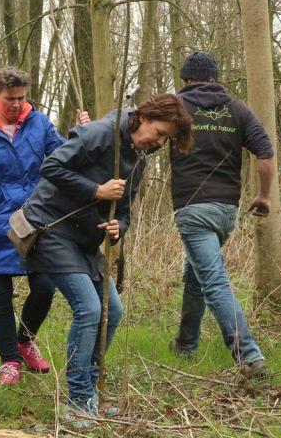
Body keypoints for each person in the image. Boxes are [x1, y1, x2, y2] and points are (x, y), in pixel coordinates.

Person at [22, 93, 193, 427]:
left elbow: (126, 209)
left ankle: (91, 392)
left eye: (164, 139)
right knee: (89, 308)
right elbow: (51, 166)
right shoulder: (101, 133)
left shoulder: (140, 158)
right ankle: (77, 401)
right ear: (144, 116)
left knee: (112, 310)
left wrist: (118, 227)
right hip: (51, 228)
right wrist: (96, 191)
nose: (157, 142)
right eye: (157, 132)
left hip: (85, 240)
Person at [0, 66, 90, 385]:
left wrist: (81, 134)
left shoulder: (39, 123)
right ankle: (9, 361)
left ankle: (25, 341)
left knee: (44, 286)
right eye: (9, 99)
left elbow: (64, 157)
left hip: (35, 220)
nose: (16, 104)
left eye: (21, 98)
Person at [168, 51, 274, 377]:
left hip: (193, 209)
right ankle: (186, 344)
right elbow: (265, 154)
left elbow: (142, 136)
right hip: (227, 210)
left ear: (186, 80)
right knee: (196, 274)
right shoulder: (238, 109)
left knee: (213, 280)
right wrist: (263, 196)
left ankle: (249, 356)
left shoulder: (175, 107)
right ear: (215, 78)